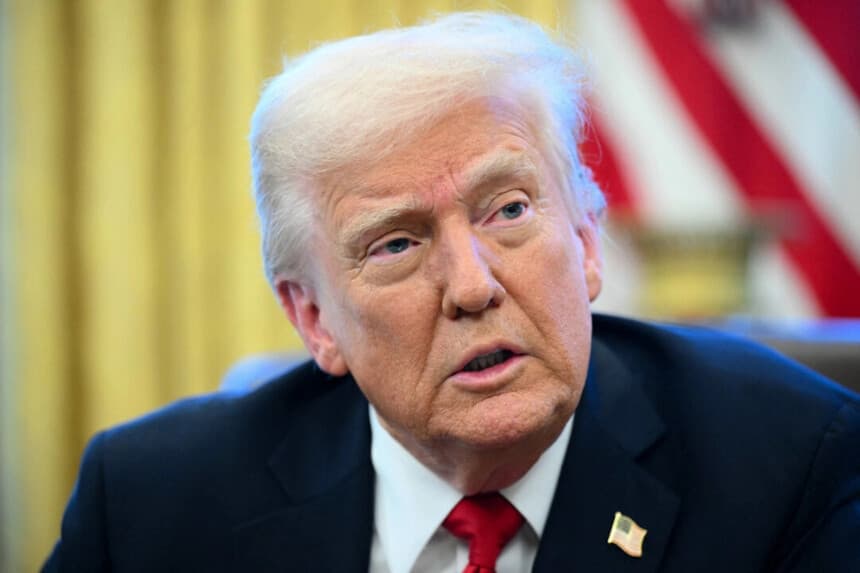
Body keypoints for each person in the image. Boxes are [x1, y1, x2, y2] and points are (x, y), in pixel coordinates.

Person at [44, 12, 859, 573]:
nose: (473, 287)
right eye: (396, 244)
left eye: (509, 210)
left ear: (585, 241)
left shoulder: (791, 466)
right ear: (314, 317)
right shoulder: (151, 506)